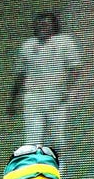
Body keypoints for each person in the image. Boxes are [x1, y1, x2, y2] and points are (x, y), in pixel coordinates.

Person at [7, 11, 82, 163]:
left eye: (47, 24)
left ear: (54, 26)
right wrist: (13, 101)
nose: (43, 27)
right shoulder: (28, 45)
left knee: (56, 139)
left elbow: (75, 68)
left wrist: (67, 90)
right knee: (32, 140)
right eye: (40, 24)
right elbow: (20, 74)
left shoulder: (64, 42)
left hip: (56, 95)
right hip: (33, 96)